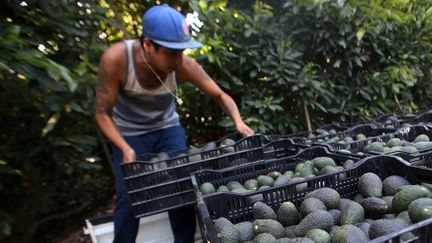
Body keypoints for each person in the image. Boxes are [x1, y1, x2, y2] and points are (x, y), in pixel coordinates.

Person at [94, 4, 254, 243]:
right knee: (129, 197)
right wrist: (125, 148)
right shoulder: (117, 60)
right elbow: (102, 113)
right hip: (128, 133)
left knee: (180, 189)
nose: (179, 60)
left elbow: (220, 96)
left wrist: (239, 122)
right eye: (172, 52)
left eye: (182, 51)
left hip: (167, 128)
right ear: (148, 45)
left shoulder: (183, 66)